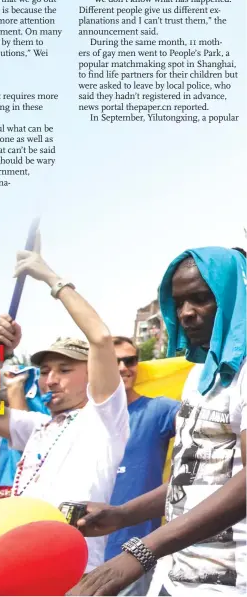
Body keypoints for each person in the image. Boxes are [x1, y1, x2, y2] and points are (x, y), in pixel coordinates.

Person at [70, 247, 246, 596]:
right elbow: (196, 477)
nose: (186, 313)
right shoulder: (198, 378)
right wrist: (122, 515)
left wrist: (141, 551)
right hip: (178, 576)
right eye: (179, 303)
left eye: (200, 299)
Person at [0, 234, 129, 573]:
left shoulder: (103, 419)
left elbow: (99, 336)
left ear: (92, 374)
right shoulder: (36, 425)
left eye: (65, 370)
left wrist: (49, 277)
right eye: (46, 371)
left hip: (71, 570)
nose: (51, 380)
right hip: (14, 562)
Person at [104, 336, 179, 596]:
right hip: (76, 557)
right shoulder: (76, 418)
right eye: (115, 362)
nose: (124, 367)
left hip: (131, 560)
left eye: (131, 360)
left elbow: (215, 423)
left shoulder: (158, 410)